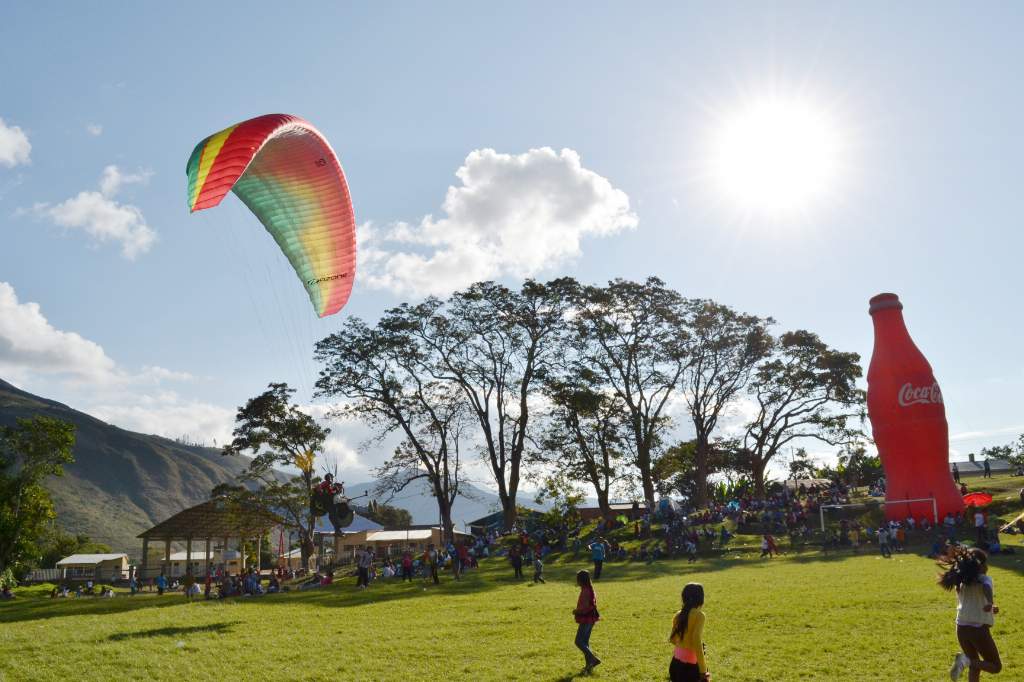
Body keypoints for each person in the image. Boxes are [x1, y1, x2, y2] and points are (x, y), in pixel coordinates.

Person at [941, 547, 1002, 681]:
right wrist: (991, 602)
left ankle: (965, 661)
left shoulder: (961, 581)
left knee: (975, 664)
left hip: (961, 627)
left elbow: (971, 602)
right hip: (978, 628)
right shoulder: (984, 579)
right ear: (980, 565)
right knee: (995, 666)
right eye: (985, 563)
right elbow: (986, 588)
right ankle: (964, 661)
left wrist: (991, 607)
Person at [669, 583, 710, 682]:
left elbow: (672, 639)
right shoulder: (700, 616)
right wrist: (703, 671)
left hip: (675, 664)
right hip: (690, 667)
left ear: (684, 597)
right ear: (701, 599)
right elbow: (696, 639)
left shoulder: (678, 614)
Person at [572, 570, 601, 672]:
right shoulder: (589, 588)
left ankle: (593, 659)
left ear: (581, 580)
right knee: (585, 642)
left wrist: (576, 611)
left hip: (586, 618)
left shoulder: (585, 591)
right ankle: (589, 665)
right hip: (591, 618)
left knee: (578, 641)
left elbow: (584, 607)